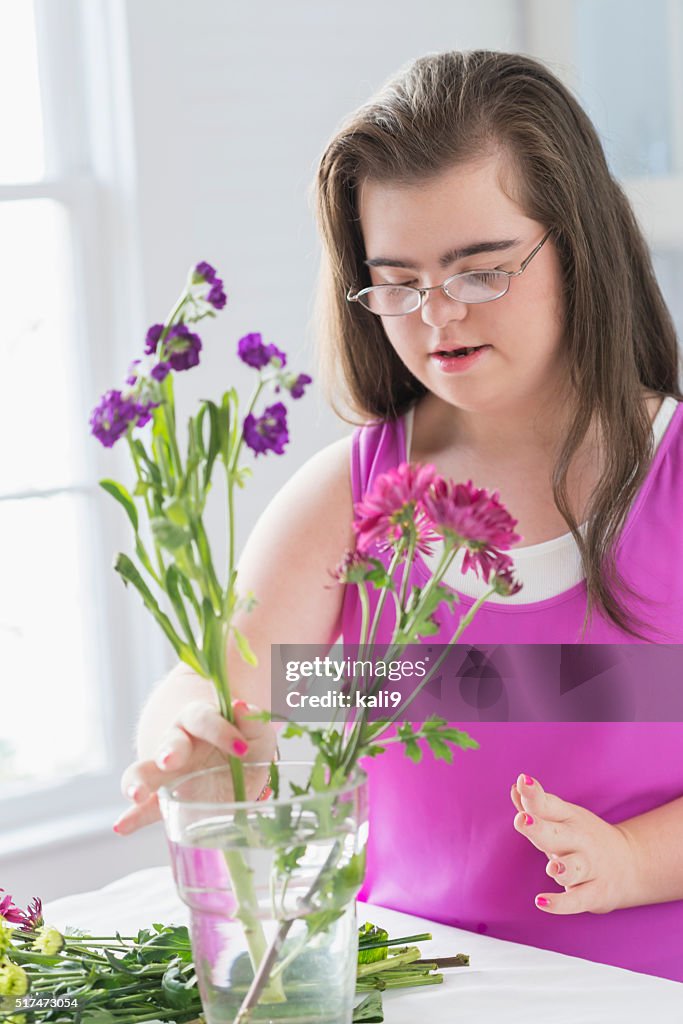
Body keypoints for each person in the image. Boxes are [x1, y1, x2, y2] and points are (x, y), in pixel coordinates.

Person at [115, 51, 683, 981]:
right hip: (412, 986)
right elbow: (217, 687)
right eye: (396, 282)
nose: (434, 319)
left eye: (478, 272)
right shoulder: (350, 495)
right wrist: (186, 741)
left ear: (579, 245)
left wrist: (627, 866)